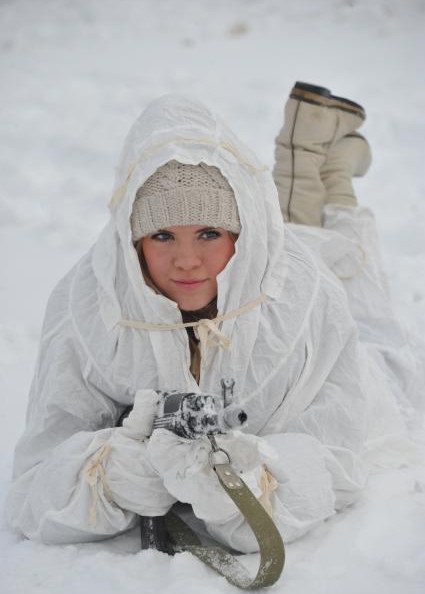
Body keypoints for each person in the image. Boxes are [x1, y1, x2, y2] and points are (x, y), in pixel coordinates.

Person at [6, 85, 424, 552]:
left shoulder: (308, 293)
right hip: (266, 260)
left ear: (242, 238)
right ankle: (302, 165)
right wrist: (116, 473)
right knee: (294, 241)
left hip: (325, 318)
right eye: (162, 234)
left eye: (209, 232)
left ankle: (330, 173)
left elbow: (338, 454)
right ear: (131, 240)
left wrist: (251, 481)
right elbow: (35, 482)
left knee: (378, 329)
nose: (187, 260)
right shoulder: (86, 306)